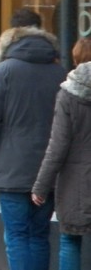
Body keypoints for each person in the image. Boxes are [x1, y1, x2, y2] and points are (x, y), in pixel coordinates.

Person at [0, 8, 66, 270]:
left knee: (16, 235)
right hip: (49, 170)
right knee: (39, 235)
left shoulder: (3, 71)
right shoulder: (60, 73)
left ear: (11, 35)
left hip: (11, 169)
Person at [32, 37, 91, 270]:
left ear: (76, 59)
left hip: (75, 182)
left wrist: (40, 186)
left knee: (70, 240)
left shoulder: (67, 95)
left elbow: (58, 146)